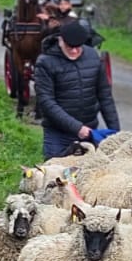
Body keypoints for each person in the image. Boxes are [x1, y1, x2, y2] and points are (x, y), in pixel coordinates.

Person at [34, 18, 120, 158]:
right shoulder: (45, 63)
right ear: (60, 40)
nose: (74, 51)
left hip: (89, 131)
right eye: (69, 47)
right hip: (58, 135)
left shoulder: (93, 56)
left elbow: (105, 96)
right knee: (56, 176)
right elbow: (47, 102)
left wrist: (116, 132)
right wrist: (77, 127)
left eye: (78, 47)